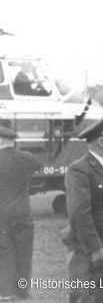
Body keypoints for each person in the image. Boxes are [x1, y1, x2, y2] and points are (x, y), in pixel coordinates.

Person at [63, 113, 103, 303]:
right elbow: (79, 214)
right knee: (86, 298)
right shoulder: (79, 170)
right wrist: (95, 248)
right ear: (102, 141)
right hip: (88, 252)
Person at [0, 126, 42, 301]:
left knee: (5, 253)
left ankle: (6, 293)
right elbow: (38, 167)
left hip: (2, 216)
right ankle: (22, 291)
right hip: (24, 214)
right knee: (24, 253)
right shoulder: (26, 158)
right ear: (12, 141)